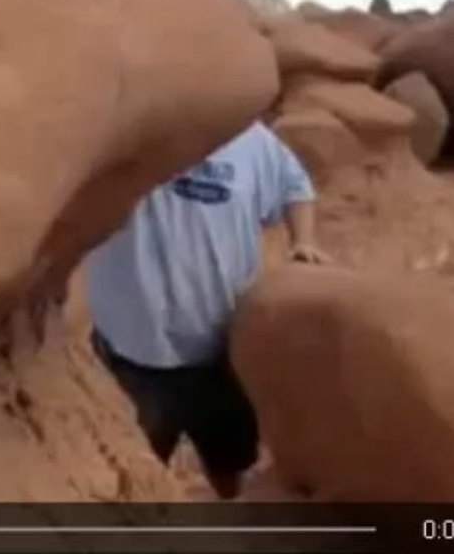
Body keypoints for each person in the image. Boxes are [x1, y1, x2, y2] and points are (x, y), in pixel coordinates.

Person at [82, 120, 329, 500]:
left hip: (220, 349)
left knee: (231, 462)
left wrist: (304, 241)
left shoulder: (251, 139)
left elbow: (295, 186)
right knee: (132, 475)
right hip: (134, 354)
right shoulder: (131, 130)